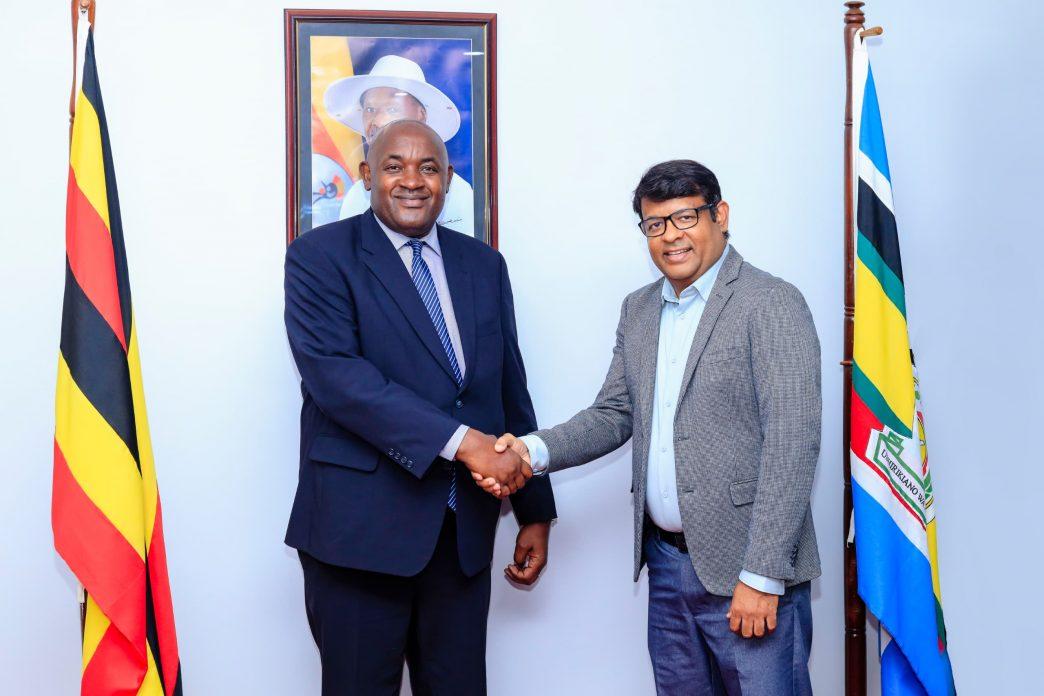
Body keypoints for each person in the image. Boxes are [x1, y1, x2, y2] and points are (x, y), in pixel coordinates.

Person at [485, 160, 822, 695]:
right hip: (666, 568)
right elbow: (614, 413)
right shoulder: (640, 309)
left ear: (720, 215)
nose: (671, 236)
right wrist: (529, 450)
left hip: (748, 575)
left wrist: (762, 576)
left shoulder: (770, 302)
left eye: (685, 217)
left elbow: (792, 444)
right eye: (655, 224)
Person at [284, 119, 555, 695]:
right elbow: (340, 380)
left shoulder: (483, 265)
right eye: (393, 166)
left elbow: (507, 389)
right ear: (365, 176)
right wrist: (466, 441)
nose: (412, 180)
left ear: (449, 179)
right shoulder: (319, 258)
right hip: (359, 538)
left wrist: (535, 510)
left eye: (428, 167)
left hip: (461, 538)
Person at [324, 54, 475, 235]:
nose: (377, 120)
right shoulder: (356, 196)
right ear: (366, 174)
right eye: (370, 109)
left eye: (392, 109)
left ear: (421, 115)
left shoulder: (458, 195)